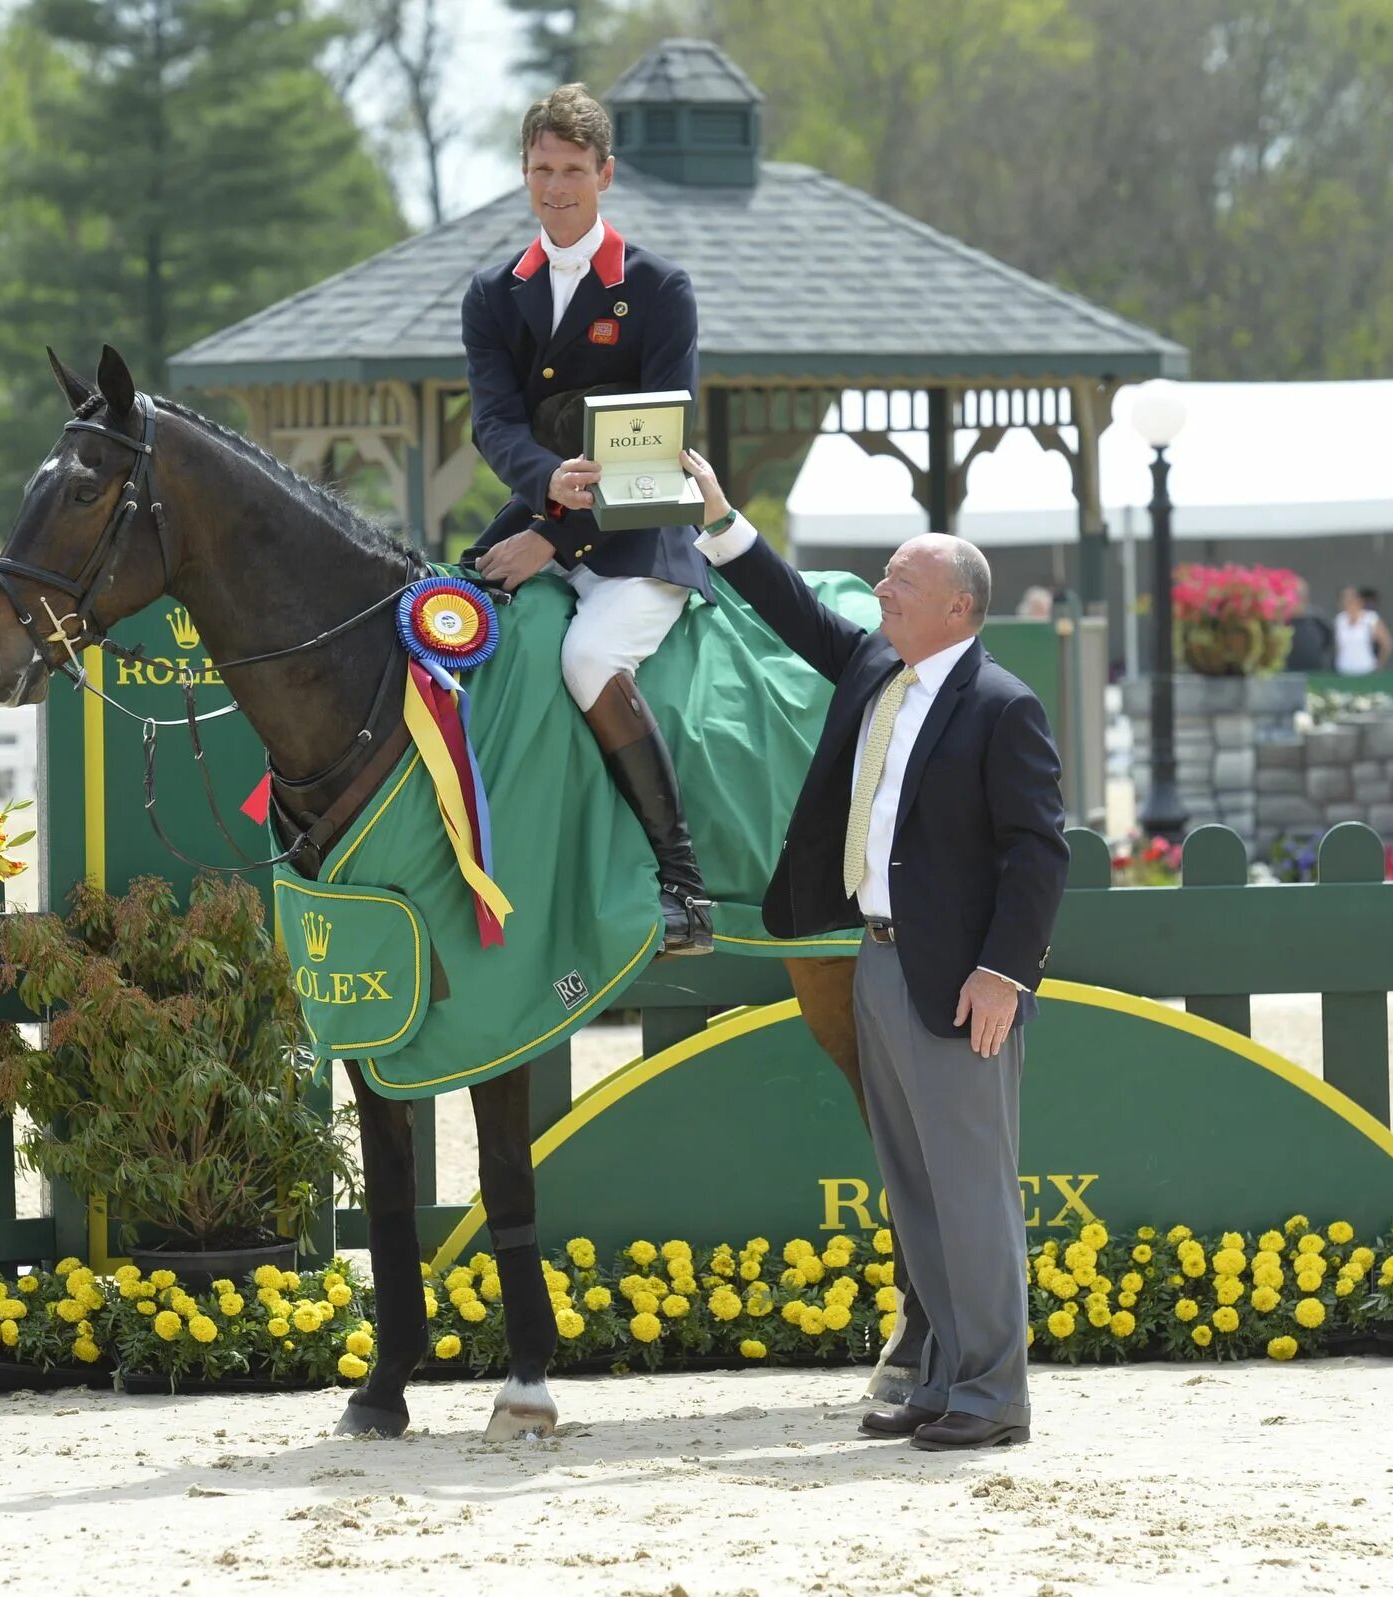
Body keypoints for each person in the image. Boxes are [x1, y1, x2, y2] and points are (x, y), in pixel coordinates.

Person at [679, 448, 1069, 1451]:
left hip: (959, 980)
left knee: (969, 1189)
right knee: (914, 1188)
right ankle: (941, 1375)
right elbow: (787, 605)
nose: (880, 587)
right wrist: (722, 515)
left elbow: (1039, 853)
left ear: (958, 608)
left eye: (901, 578)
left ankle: (994, 1390)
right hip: (879, 958)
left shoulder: (1002, 705)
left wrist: (1004, 973)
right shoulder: (873, 666)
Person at [460, 83, 713, 954]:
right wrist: (545, 484)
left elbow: (655, 445)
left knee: (587, 652)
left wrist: (556, 536)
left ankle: (682, 882)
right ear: (524, 173)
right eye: (541, 169)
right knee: (443, 625)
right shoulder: (494, 293)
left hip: (643, 531)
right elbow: (494, 422)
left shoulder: (658, 289)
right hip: (538, 506)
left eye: (573, 170)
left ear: (605, 173)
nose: (556, 187)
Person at [1333, 584, 1392, 676]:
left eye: (1352, 599)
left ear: (1360, 601)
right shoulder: (1339, 620)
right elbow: (1338, 646)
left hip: (1366, 670)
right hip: (1343, 671)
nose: (1349, 603)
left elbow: (1386, 644)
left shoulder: (1371, 619)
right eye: (1345, 600)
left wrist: (1379, 666)